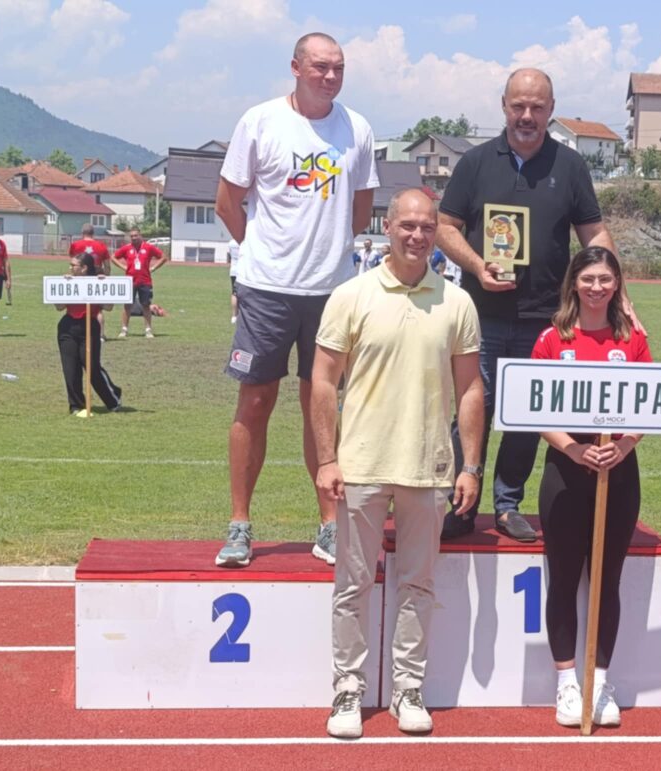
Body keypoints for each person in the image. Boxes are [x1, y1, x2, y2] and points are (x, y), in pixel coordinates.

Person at [312, 188, 483, 739]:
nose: (416, 235)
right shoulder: (351, 295)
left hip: (429, 467)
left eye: (426, 227)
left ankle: (409, 687)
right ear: (388, 227)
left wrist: (471, 465)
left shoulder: (457, 302)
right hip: (360, 466)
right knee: (352, 586)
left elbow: (470, 389)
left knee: (418, 585)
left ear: (438, 232)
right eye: (407, 225)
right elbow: (322, 381)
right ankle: (347, 690)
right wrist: (326, 458)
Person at [436, 67, 634, 543]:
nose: (527, 115)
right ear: (504, 105)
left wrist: (621, 295)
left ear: (550, 109)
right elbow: (446, 227)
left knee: (527, 415)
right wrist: (478, 264)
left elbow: (594, 234)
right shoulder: (476, 162)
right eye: (518, 106)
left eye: (537, 107)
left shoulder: (569, 166)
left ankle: (508, 504)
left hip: (547, 317)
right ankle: (462, 504)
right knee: (471, 407)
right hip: (478, 315)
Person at [213, 32, 379, 568]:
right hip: (266, 289)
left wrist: (328, 258)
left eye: (339, 68)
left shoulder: (357, 128)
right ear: (296, 68)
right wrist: (262, 254)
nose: (330, 77)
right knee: (255, 403)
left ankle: (330, 526)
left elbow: (360, 213)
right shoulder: (259, 121)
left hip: (331, 293)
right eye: (320, 67)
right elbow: (227, 202)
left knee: (322, 409)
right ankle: (239, 525)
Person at [531, 246, 648, 729]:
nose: (597, 287)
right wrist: (574, 450)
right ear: (574, 283)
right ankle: (566, 684)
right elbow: (535, 408)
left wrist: (622, 446)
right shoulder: (553, 338)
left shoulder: (633, 339)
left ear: (617, 284)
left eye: (605, 279)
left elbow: (648, 404)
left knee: (606, 578)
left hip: (618, 470)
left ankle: (599, 683)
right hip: (566, 470)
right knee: (562, 578)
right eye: (588, 279)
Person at [56, 253, 123, 416]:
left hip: (89, 326)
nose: (70, 268)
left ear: (84, 268)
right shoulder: (68, 281)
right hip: (68, 327)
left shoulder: (96, 281)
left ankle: (113, 398)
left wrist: (103, 286)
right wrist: (65, 287)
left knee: (92, 367)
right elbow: (58, 307)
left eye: (74, 266)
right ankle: (76, 406)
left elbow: (108, 307)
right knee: (70, 369)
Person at [112, 228, 167, 339]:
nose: (134, 238)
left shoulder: (148, 247)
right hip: (130, 281)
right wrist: (123, 267)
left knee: (146, 305)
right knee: (127, 306)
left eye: (136, 235)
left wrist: (153, 268)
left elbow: (163, 257)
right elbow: (113, 257)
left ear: (140, 235)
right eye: (132, 236)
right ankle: (124, 329)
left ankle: (148, 330)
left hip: (145, 281)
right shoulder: (127, 248)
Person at [69, 224, 111, 340]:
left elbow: (73, 263)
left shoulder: (75, 245)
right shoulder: (101, 246)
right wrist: (106, 278)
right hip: (96, 277)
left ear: (82, 233)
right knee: (98, 309)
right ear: (93, 233)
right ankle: (101, 334)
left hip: (79, 277)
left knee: (76, 306)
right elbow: (107, 265)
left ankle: (76, 329)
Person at [227, 238, 240, 324]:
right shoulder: (244, 241)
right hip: (243, 271)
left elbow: (229, 256)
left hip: (233, 270)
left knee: (234, 293)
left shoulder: (231, 243)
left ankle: (234, 315)